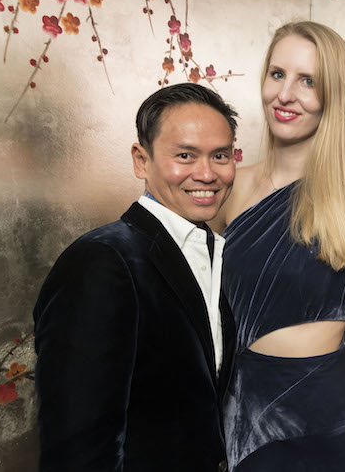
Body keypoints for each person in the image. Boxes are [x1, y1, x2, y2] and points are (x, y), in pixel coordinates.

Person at [212, 21, 345, 471]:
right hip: (246, 420)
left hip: (332, 424)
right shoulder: (229, 188)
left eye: (308, 81)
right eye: (278, 74)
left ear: (332, 95)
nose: (286, 94)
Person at [33, 83, 239, 472]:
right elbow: (79, 449)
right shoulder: (102, 261)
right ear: (142, 161)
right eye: (185, 155)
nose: (207, 173)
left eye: (220, 155)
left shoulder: (218, 252)